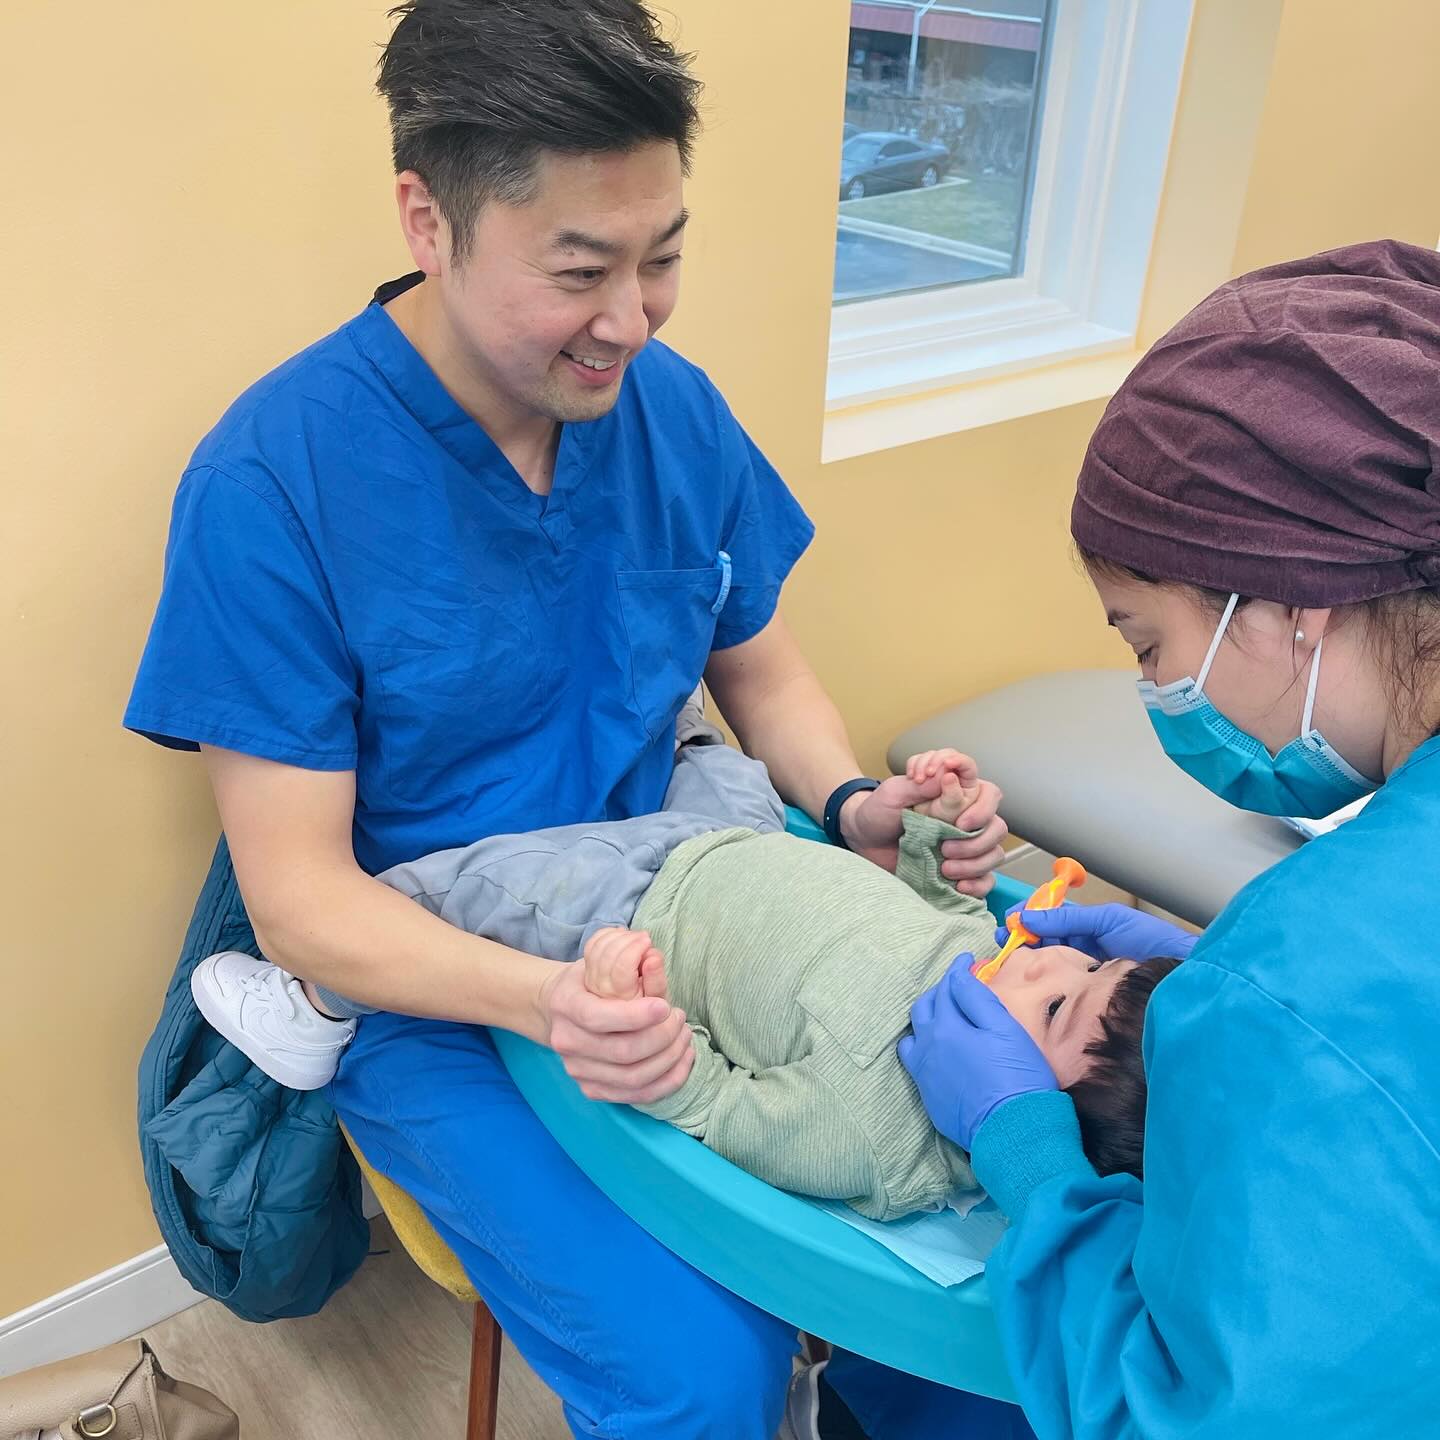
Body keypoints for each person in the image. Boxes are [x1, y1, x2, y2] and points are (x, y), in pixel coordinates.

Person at [123, 4, 1014, 1436]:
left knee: (968, 1278)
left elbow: (763, 675)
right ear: (430, 217)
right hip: (441, 993)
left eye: (662, 257)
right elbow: (297, 906)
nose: (634, 318)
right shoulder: (274, 481)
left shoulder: (671, 410)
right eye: (581, 271)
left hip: (688, 896)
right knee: (697, 1372)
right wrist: (557, 1003)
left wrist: (856, 804)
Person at [876, 240, 1440, 1440]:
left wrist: (1033, 1164)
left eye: (1146, 645)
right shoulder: (1301, 980)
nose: (1156, 689)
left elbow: (1178, 1418)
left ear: (1294, 605)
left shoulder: (1301, 993)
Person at [193, 737, 1180, 1216]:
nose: (1047, 954)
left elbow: (723, 1110)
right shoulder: (989, 971)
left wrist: (647, 1028)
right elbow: (956, 909)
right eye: (1083, 961)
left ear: (1031, 1110)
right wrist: (926, 828)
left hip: (631, 905)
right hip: (738, 841)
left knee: (445, 887)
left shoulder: (875, 1137)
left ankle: (316, 1002)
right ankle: (689, 744)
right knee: (721, 758)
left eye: (1057, 1002)